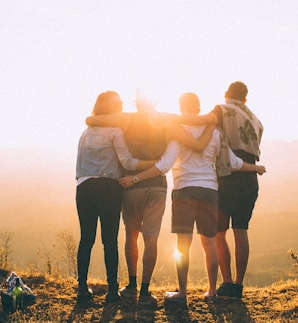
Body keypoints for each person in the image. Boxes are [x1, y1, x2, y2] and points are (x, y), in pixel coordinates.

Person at [118, 92, 266, 304]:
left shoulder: (178, 131)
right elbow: (232, 162)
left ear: (181, 107)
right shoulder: (215, 132)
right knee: (210, 243)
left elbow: (164, 165)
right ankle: (213, 292)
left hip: (184, 190)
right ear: (198, 109)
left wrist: (136, 178)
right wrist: (255, 167)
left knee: (183, 244)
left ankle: (182, 293)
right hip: (210, 191)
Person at [85, 93, 213, 307]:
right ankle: (145, 291)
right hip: (157, 186)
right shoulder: (167, 120)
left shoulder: (126, 119)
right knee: (151, 238)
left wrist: (92, 119)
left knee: (131, 234)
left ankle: (132, 285)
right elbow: (196, 131)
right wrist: (212, 120)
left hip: (131, 185)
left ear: (137, 103)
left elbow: (91, 120)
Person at [171, 81, 264, 299]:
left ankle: (226, 283)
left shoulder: (222, 110)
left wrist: (169, 119)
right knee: (241, 231)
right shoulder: (256, 119)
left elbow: (201, 121)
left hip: (228, 177)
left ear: (226, 94)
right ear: (246, 99)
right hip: (249, 179)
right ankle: (238, 286)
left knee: (218, 233)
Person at [75, 91, 156, 304]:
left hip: (84, 187)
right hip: (109, 188)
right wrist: (154, 163)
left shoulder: (86, 132)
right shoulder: (115, 131)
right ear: (109, 107)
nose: (121, 105)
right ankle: (112, 290)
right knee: (109, 240)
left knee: (86, 239)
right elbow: (128, 163)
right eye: (117, 103)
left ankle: (82, 288)